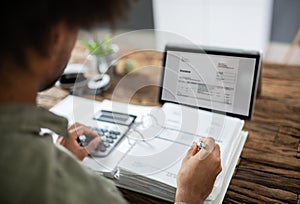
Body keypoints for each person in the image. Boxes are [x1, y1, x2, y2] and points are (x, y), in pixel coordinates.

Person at [0, 1, 221, 204]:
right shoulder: (88, 194)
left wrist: (64, 158)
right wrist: (189, 195)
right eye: (75, 27)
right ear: (54, 38)